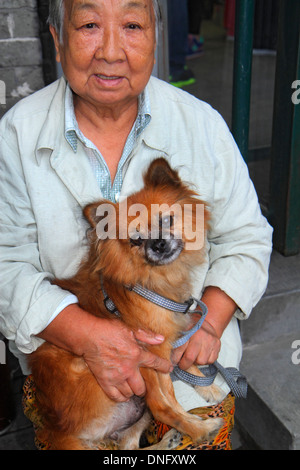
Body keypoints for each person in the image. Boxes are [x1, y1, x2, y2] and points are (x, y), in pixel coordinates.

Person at [0, 0, 273, 450]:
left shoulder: (200, 124)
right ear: (57, 38)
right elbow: (6, 266)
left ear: (154, 37)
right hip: (82, 396)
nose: (111, 50)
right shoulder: (17, 135)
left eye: (131, 24)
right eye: (89, 24)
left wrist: (209, 324)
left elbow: (247, 236)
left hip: (188, 384)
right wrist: (90, 339)